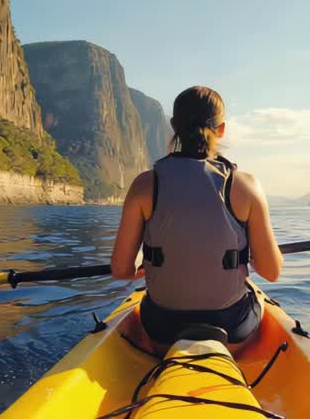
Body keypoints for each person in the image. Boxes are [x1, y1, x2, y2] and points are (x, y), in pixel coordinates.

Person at [110, 85, 282, 352]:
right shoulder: (246, 186)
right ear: (221, 129)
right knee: (255, 299)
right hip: (230, 329)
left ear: (173, 126)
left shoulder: (145, 185)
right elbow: (271, 272)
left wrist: (145, 264)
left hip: (162, 329)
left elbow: (121, 270)